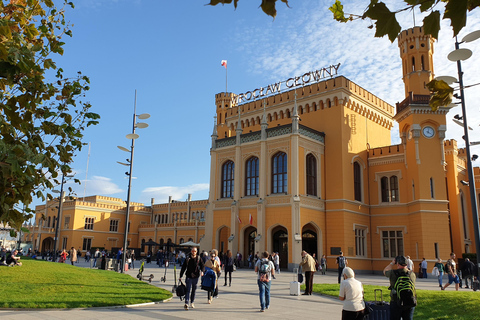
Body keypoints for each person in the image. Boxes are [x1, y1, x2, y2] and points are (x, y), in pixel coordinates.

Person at [383, 255, 416, 320]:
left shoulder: (392, 273)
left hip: (396, 301)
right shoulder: (412, 274)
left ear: (397, 263)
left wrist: (392, 263)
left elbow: (385, 271)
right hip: (410, 301)